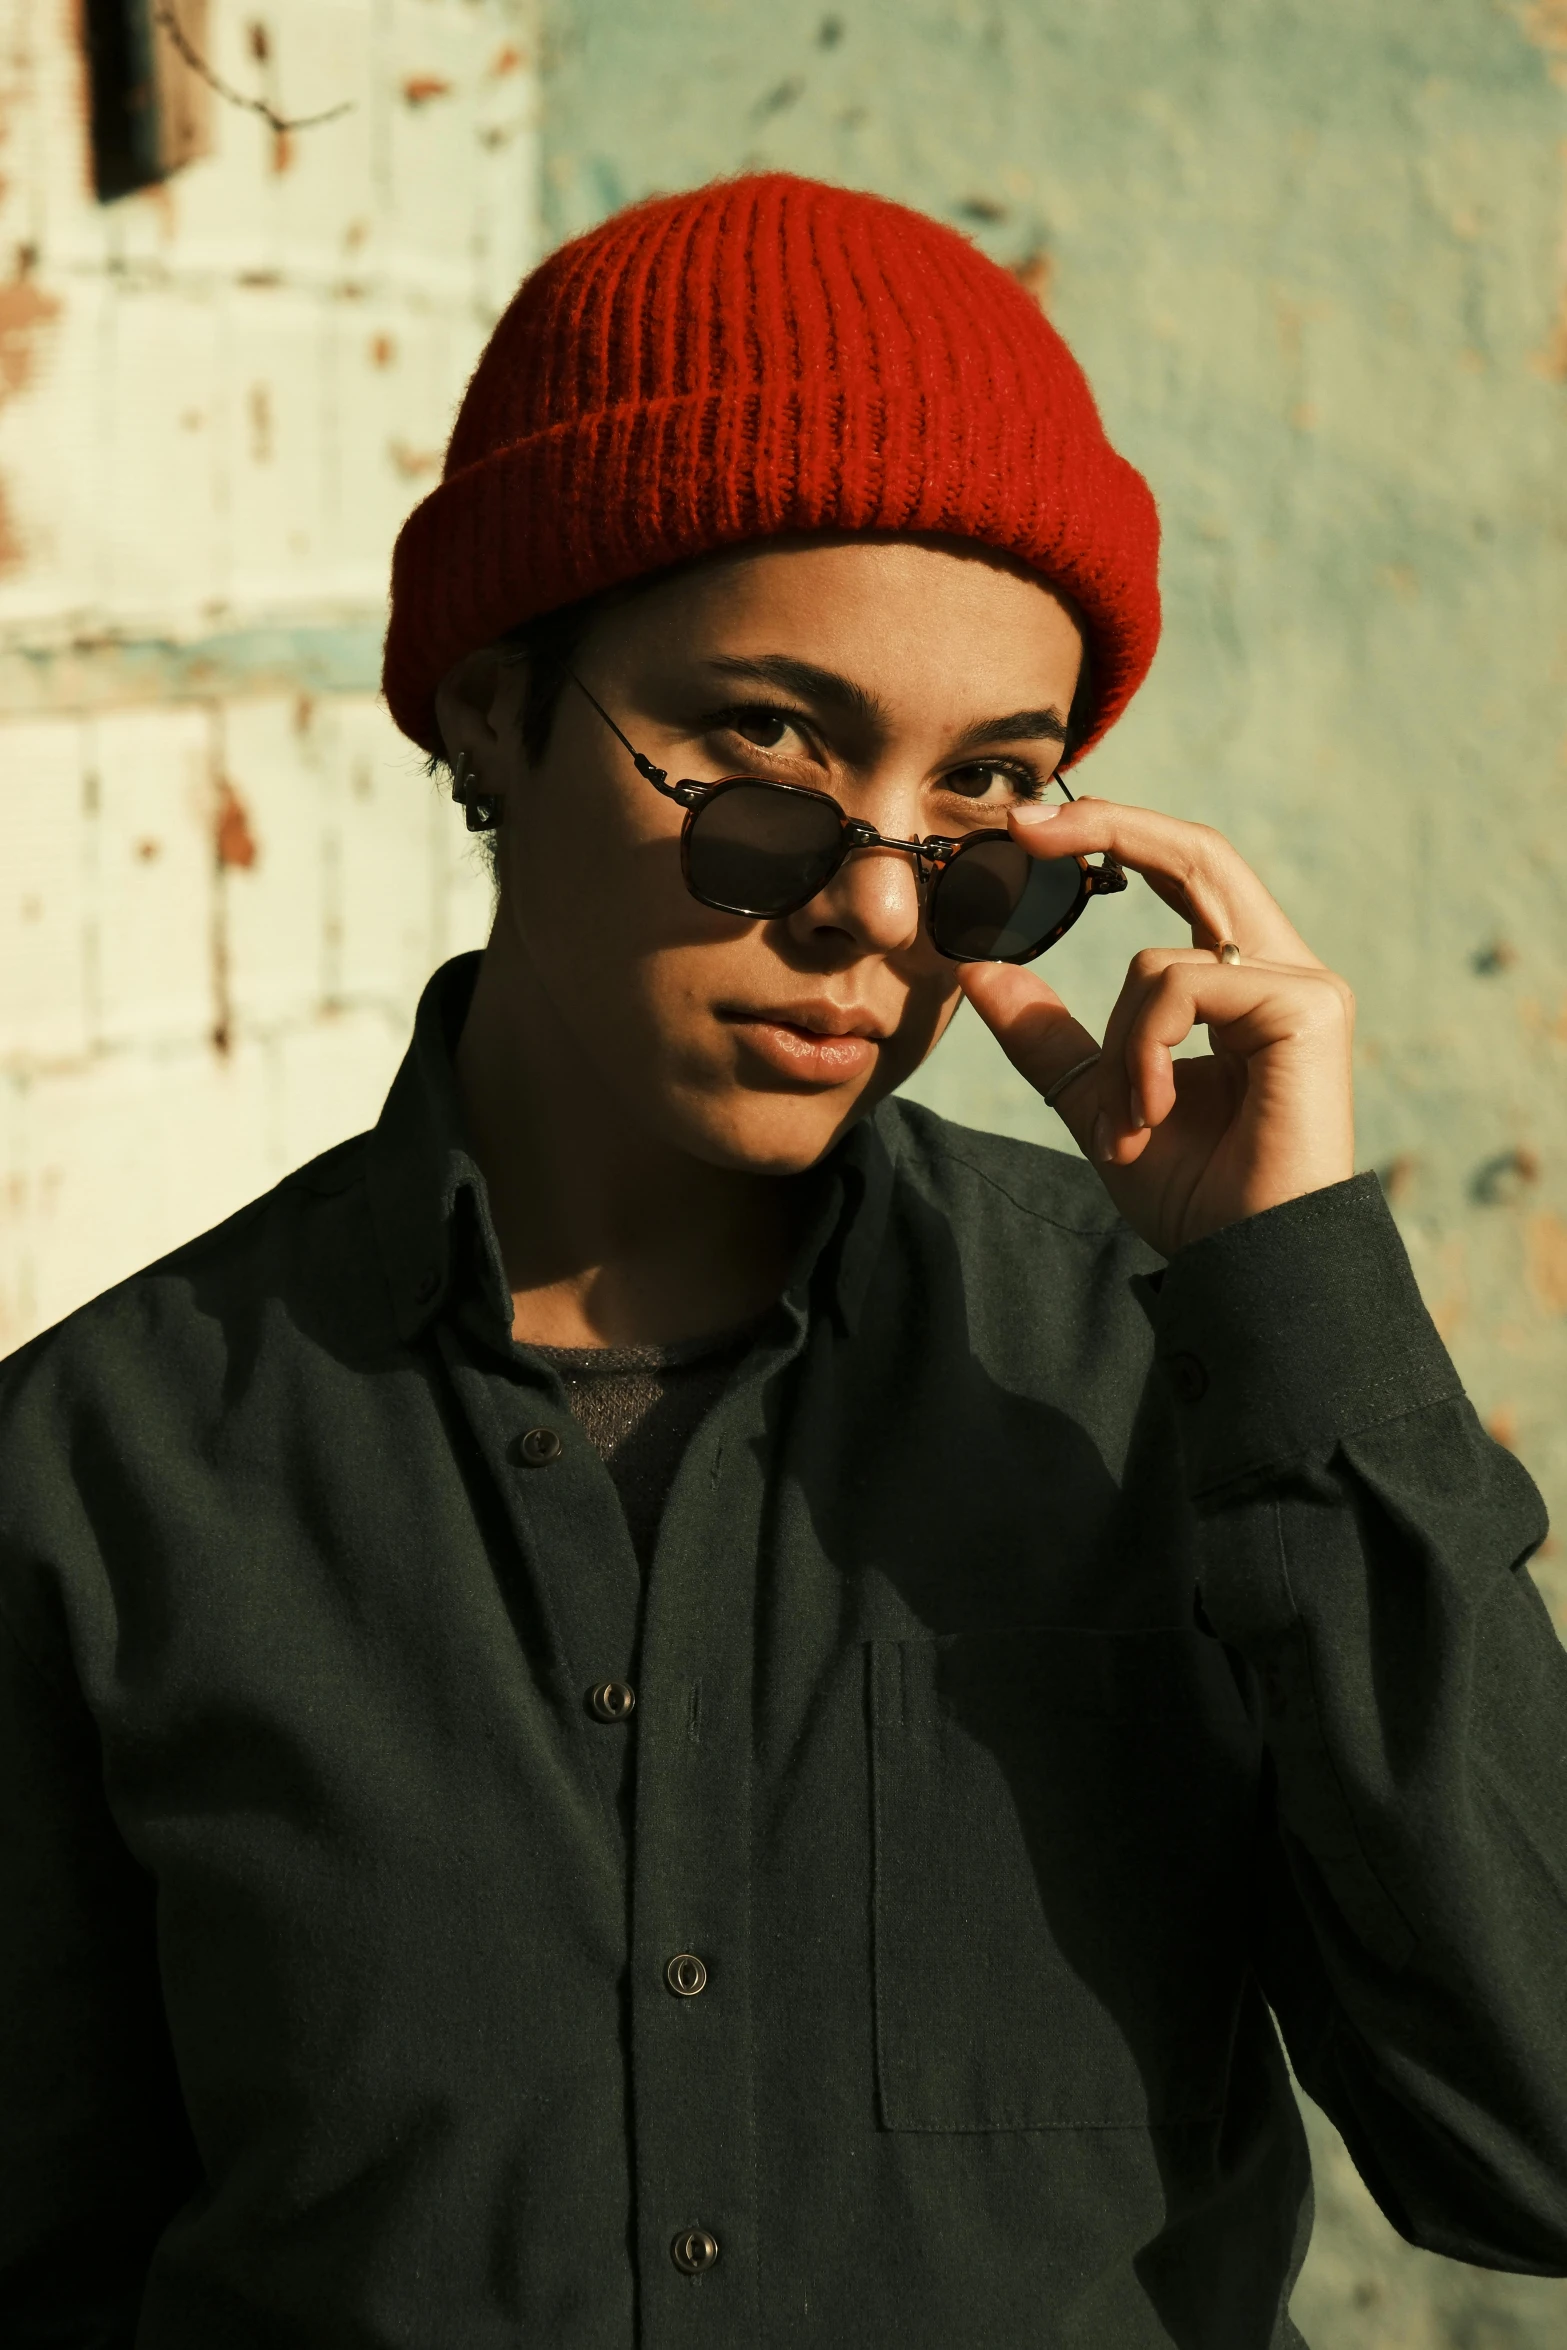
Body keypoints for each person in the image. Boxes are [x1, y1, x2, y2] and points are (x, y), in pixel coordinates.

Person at [1, 173, 1563, 2350]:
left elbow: (1539, 2135)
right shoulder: (106, 1469)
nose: (879, 916)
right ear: (487, 714)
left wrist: (1295, 1295)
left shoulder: (1167, 1381)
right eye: (765, 764)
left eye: (987, 814)